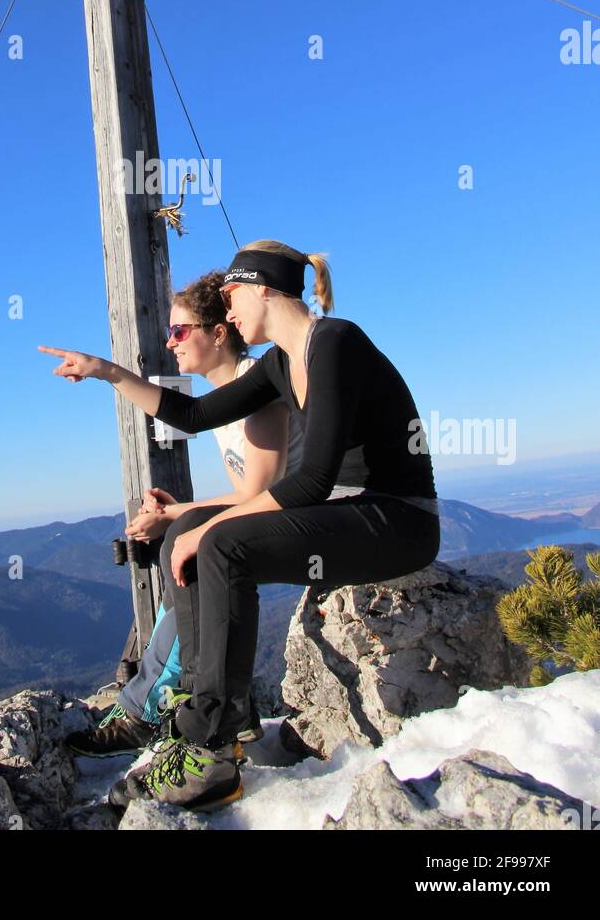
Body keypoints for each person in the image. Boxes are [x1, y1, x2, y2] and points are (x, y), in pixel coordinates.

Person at [39, 239, 440, 814]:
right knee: (188, 535)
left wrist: (208, 528)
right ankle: (200, 719)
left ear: (262, 287)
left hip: (397, 519)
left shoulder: (333, 342)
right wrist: (107, 373)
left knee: (219, 542)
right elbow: (195, 415)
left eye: (231, 296)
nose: (227, 312)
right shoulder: (284, 359)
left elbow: (313, 482)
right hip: (350, 512)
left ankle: (212, 750)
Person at [66, 268, 307, 759]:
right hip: (289, 515)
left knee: (192, 549)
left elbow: (259, 493)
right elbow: (244, 487)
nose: (171, 342)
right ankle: (154, 699)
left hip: (315, 521)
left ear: (219, 334)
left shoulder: (256, 393)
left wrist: (177, 517)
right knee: (183, 542)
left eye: (180, 331)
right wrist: (174, 512)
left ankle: (164, 708)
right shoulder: (229, 395)